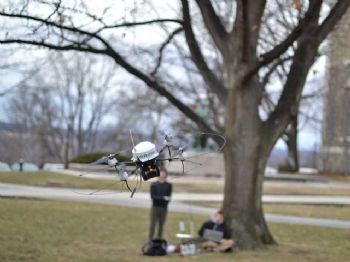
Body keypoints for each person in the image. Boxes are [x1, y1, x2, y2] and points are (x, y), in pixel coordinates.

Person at [149, 168, 172, 240]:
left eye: (163, 173)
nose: (162, 174)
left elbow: (169, 197)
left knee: (161, 224)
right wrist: (162, 198)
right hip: (155, 207)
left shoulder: (168, 185)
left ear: (166, 174)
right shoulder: (154, 184)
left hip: (164, 208)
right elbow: (153, 197)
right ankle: (151, 239)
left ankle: (159, 238)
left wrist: (164, 200)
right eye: (161, 173)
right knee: (153, 224)